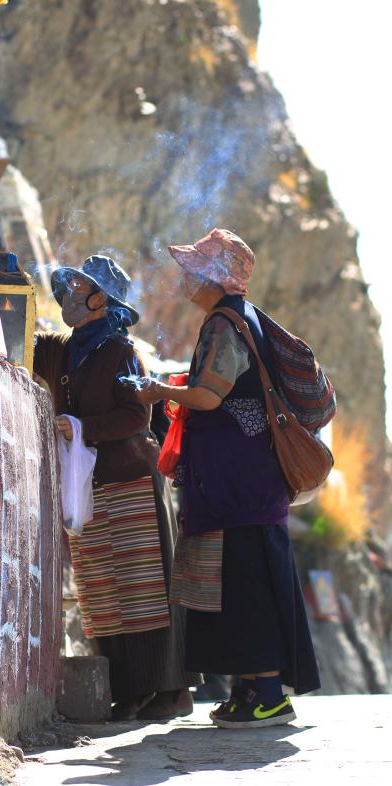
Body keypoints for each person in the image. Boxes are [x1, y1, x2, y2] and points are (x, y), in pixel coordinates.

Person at [135, 227, 321, 728]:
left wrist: (159, 391)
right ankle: (246, 693)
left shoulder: (223, 325)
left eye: (191, 270)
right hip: (245, 482)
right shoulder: (243, 319)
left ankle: (267, 696)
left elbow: (212, 397)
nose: (183, 279)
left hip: (238, 486)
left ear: (212, 277)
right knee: (238, 584)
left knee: (245, 586)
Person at [33, 254, 201, 721]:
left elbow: (135, 417)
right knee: (101, 588)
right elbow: (21, 340)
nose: (67, 296)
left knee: (140, 587)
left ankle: (154, 688)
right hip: (89, 484)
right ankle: (126, 687)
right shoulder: (62, 349)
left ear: (99, 298)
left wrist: (80, 427)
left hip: (129, 479)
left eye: (76, 288)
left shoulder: (122, 351)